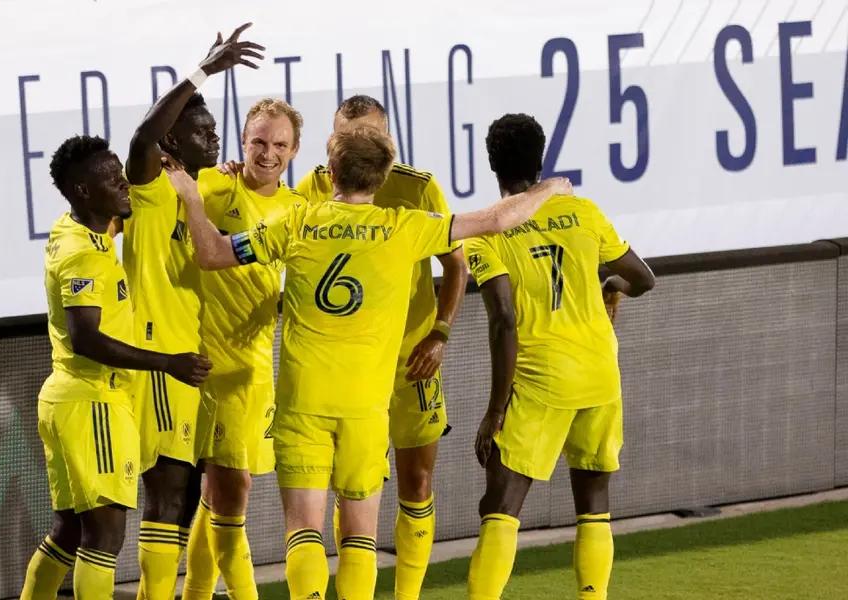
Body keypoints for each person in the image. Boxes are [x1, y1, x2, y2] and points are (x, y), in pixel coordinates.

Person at [170, 125, 570, 599]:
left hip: (302, 407)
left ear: (331, 170)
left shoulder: (298, 223)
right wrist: (549, 188)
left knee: (304, 533)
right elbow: (499, 219)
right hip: (366, 411)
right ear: (381, 178)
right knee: (360, 537)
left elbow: (211, 253)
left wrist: (192, 198)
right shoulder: (406, 227)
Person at [464, 114, 655, 600]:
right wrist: (610, 284)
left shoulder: (487, 231)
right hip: (599, 371)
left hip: (540, 379)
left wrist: (494, 411)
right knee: (593, 502)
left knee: (501, 504)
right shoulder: (584, 212)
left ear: (491, 162)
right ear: (541, 157)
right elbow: (644, 278)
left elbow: (504, 320)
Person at [19, 135, 211, 600]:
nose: (124, 183)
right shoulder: (85, 252)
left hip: (69, 398)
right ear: (83, 190)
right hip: (94, 402)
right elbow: (86, 339)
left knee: (67, 532)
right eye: (111, 179)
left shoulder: (75, 230)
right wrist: (168, 363)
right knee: (103, 539)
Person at [295, 95, 469, 600]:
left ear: (388, 138)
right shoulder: (315, 185)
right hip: (344, 368)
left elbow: (456, 263)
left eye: (368, 135)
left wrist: (439, 332)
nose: (356, 146)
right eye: (345, 137)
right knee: (351, 487)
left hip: (408, 362)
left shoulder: (417, 187)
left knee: (416, 482)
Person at [122, 23, 263, 599]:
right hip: (161, 358)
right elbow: (140, 136)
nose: (215, 139)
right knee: (168, 493)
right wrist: (203, 70)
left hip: (197, 363)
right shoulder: (152, 185)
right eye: (201, 132)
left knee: (193, 492)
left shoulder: (202, 190)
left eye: (214, 129)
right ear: (171, 143)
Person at [181, 97, 306, 600]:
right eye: (259, 141)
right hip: (199, 363)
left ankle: (193, 595)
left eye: (279, 144)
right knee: (231, 498)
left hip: (252, 367)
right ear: (242, 142)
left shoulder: (299, 210)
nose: (268, 153)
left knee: (218, 498)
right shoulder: (211, 185)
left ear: (294, 151)